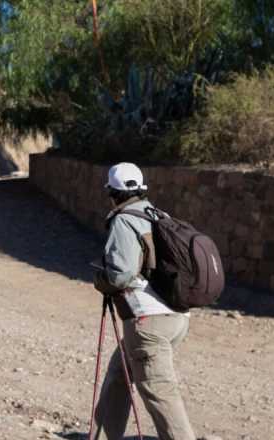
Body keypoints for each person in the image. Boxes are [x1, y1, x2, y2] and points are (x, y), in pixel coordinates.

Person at [93, 162, 195, 440]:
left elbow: (121, 274)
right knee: (119, 375)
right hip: (176, 317)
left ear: (111, 192)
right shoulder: (159, 214)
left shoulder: (124, 218)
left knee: (159, 390)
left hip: (148, 322)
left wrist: (102, 280)